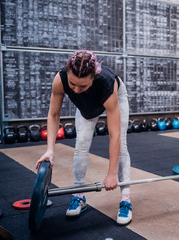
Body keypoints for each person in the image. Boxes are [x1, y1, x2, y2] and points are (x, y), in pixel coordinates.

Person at [36, 50, 132, 225]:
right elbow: (53, 115)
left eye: (83, 86)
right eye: (73, 84)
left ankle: (125, 199)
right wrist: (50, 150)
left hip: (115, 97)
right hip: (87, 107)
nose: (76, 90)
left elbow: (114, 134)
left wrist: (111, 174)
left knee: (122, 143)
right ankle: (79, 195)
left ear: (94, 77)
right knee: (81, 143)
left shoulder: (107, 84)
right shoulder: (60, 79)